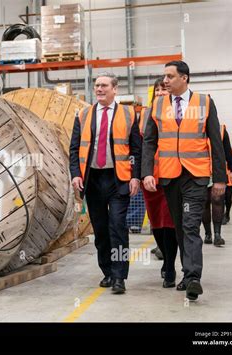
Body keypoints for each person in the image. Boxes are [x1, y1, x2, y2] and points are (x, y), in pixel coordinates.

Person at [142, 61, 226, 301]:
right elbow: (149, 141)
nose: (165, 81)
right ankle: (186, 273)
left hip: (195, 175)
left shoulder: (204, 102)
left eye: (170, 76)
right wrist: (148, 172)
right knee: (180, 226)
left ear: (184, 78)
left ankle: (192, 278)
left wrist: (219, 178)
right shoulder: (158, 105)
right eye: (164, 77)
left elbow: (215, 142)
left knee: (190, 225)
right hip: (169, 176)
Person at [69, 72, 141, 295]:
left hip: (118, 179)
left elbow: (137, 149)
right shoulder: (83, 115)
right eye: (97, 85)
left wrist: (135, 176)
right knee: (100, 229)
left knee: (117, 226)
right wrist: (75, 174)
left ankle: (120, 277)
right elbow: (73, 149)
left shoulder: (129, 114)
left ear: (114, 89)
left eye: (104, 86)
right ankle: (107, 272)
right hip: (92, 180)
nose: (99, 89)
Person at [139, 78, 178, 288]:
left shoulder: (178, 112)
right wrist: (143, 174)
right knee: (156, 221)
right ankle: (162, 250)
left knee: (170, 221)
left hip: (172, 176)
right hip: (151, 177)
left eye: (164, 88)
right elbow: (141, 147)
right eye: (158, 90)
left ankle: (170, 266)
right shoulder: (146, 114)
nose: (161, 92)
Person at [202, 124, 232, 246]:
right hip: (200, 172)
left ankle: (217, 234)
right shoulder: (194, 127)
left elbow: (228, 151)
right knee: (205, 203)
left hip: (217, 172)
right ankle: (208, 234)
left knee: (218, 201)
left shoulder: (221, 130)